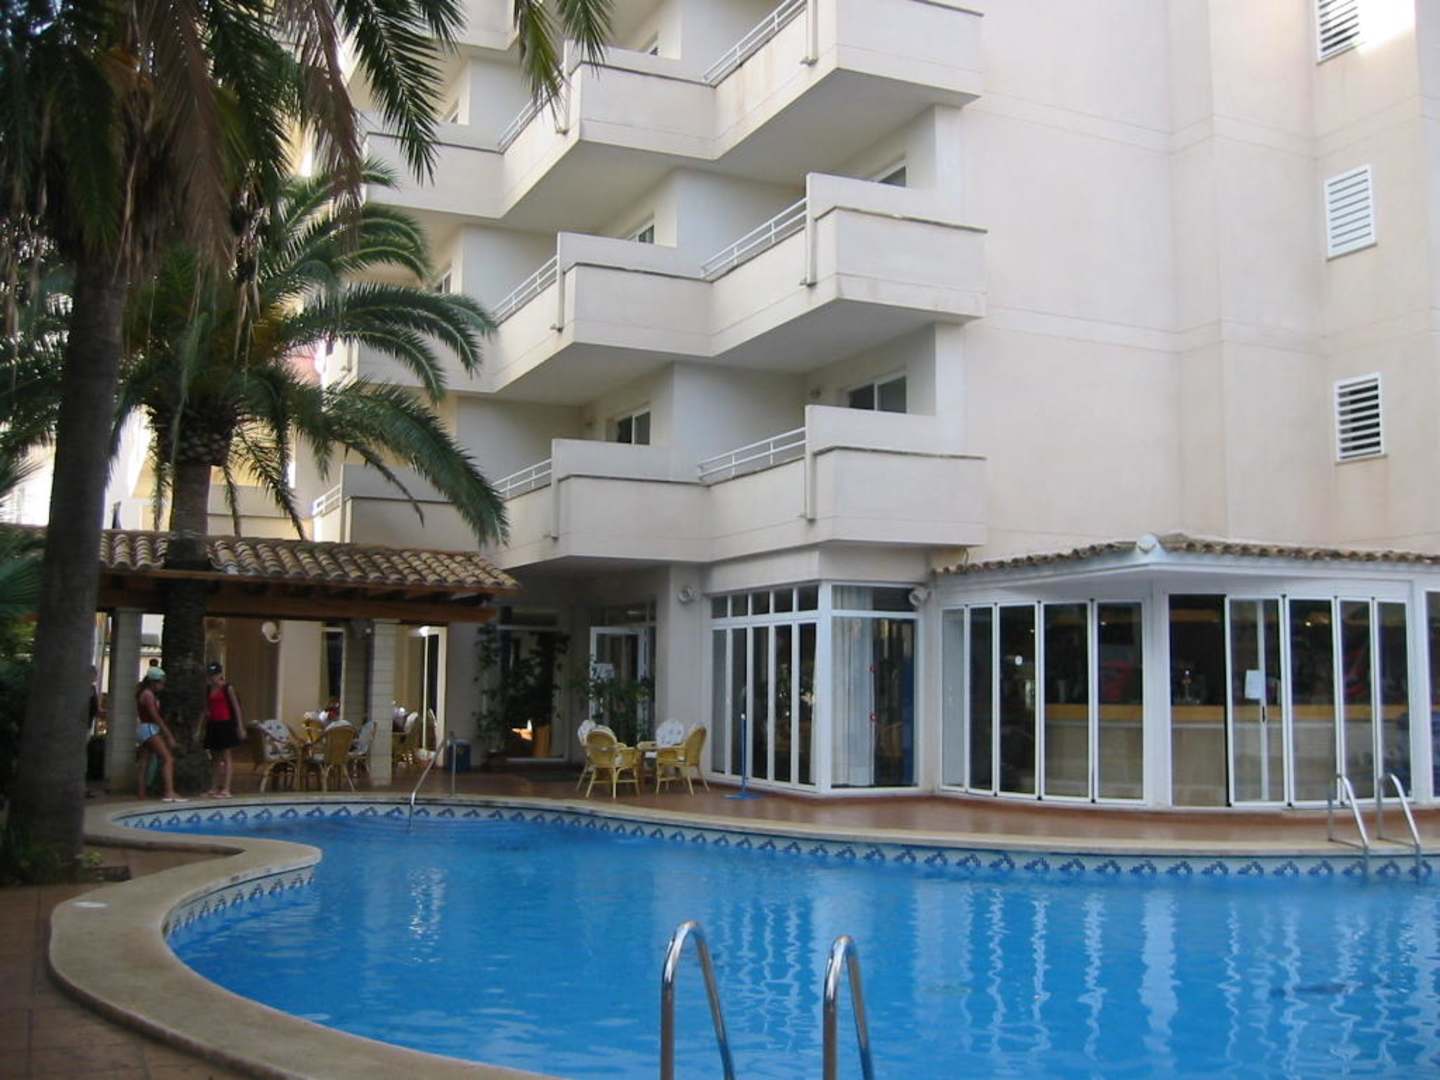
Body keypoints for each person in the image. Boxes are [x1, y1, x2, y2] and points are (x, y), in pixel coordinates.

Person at [136, 669, 183, 802]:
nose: (162, 686)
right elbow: (155, 716)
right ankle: (169, 792)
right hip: (149, 729)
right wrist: (168, 735)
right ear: (153, 682)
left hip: (142, 728)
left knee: (144, 761)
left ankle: (141, 793)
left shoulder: (144, 693)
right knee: (168, 758)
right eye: (161, 683)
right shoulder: (148, 695)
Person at [203, 662, 246, 798]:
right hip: (213, 724)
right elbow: (207, 708)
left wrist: (240, 726)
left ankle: (226, 788)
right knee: (214, 758)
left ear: (220, 674)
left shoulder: (228, 688)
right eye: (211, 675)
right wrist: (201, 726)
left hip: (225, 724)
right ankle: (214, 787)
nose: (213, 678)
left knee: (226, 756)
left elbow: (236, 708)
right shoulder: (209, 689)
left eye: (215, 675)